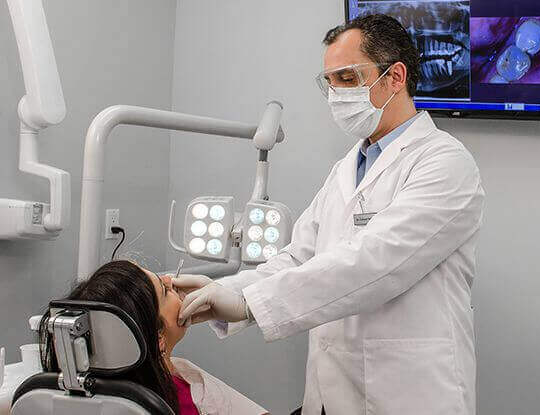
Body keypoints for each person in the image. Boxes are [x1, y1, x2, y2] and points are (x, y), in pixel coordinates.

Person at [175, 14, 485, 415]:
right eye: (330, 82)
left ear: (395, 77)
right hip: (331, 393)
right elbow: (298, 258)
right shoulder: (345, 169)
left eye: (349, 79)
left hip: (408, 395)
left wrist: (250, 304)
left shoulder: (445, 163)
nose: (337, 93)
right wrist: (227, 292)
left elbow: (374, 264)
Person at [38, 260, 268, 415]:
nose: (170, 280)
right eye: (164, 290)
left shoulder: (58, 395)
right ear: (159, 339)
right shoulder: (182, 402)